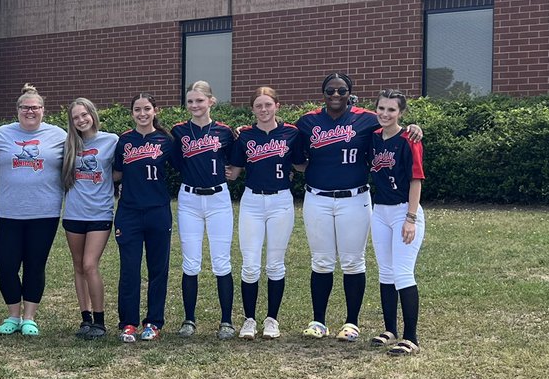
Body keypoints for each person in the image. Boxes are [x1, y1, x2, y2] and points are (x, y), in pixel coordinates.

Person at [294, 72, 421, 342]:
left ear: (350, 93)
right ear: (323, 93)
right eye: (330, 90)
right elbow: (290, 148)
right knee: (321, 261)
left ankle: (351, 323)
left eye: (342, 91)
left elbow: (393, 124)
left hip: (354, 198)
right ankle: (318, 321)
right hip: (317, 197)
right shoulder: (307, 121)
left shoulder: (367, 118)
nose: (336, 95)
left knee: (353, 261)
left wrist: (414, 127)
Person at [0, 83, 67, 337]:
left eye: (35, 107)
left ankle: (29, 317)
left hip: (45, 212)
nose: (30, 111)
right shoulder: (0, 135)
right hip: (10, 212)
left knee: (35, 264)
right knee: (6, 265)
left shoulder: (59, 135)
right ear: (17, 110)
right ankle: (13, 315)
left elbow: (75, 164)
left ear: (43, 110)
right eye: (25, 107)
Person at [228, 87, 304, 341]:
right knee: (250, 265)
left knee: (275, 264)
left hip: (281, 200)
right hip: (252, 201)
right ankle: (249, 319)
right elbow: (234, 171)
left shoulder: (291, 132)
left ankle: (272, 319)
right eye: (258, 105)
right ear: (252, 109)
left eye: (268, 104)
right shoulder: (245, 135)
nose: (263, 109)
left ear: (277, 106)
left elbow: (301, 164)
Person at [171, 80, 239, 339]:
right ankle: (189, 319)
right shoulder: (179, 131)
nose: (194, 105)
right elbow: (177, 162)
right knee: (191, 262)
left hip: (218, 199)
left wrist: (234, 171)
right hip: (189, 199)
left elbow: (237, 159)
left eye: (199, 100)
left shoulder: (225, 131)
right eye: (190, 101)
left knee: (221, 261)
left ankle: (226, 321)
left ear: (211, 101)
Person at [368, 90, 426, 355]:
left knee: (403, 273)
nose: (385, 114)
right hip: (380, 211)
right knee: (386, 272)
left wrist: (410, 218)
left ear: (401, 113)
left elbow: (416, 180)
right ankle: (390, 329)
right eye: (381, 108)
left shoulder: (409, 139)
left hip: (404, 210)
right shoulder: (373, 137)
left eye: (391, 109)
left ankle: (411, 338)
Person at [114, 93, 174, 343]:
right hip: (129, 212)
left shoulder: (166, 140)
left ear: (155, 110)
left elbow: (185, 166)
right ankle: (128, 323)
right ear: (132, 113)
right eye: (137, 109)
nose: (142, 113)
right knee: (130, 269)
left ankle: (153, 322)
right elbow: (116, 173)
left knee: (158, 268)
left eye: (147, 108)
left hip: (158, 210)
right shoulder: (124, 140)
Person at [62, 97, 118, 339]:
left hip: (100, 212)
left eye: (84, 114)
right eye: (75, 117)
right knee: (78, 266)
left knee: (89, 264)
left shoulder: (111, 140)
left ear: (93, 114)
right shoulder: (68, 144)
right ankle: (85, 318)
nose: (81, 120)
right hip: (74, 212)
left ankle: (100, 320)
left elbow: (119, 172)